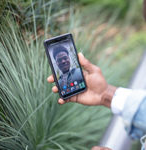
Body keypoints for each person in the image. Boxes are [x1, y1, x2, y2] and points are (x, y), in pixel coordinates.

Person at [47, 0, 146, 149]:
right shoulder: (63, 80)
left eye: (64, 57)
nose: (63, 61)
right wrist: (104, 93)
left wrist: (106, 94)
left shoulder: (75, 75)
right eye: (59, 60)